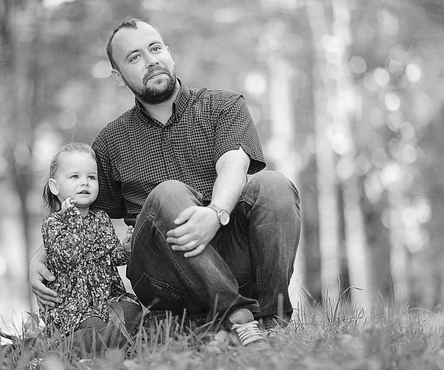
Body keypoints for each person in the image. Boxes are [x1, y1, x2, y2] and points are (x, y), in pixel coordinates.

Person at [30, 18, 301, 347]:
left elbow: (234, 165)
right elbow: (79, 213)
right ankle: (239, 320)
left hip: (233, 255)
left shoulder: (223, 106)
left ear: (168, 53)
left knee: (273, 185)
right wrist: (40, 257)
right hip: (164, 276)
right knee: (168, 194)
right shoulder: (110, 143)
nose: (150, 60)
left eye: (155, 48)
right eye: (134, 57)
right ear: (118, 77)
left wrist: (215, 213)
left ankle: (272, 324)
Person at [39, 142, 141, 355]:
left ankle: (98, 347)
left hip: (105, 299)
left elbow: (112, 256)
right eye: (74, 177)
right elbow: (70, 257)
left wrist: (126, 249)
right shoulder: (53, 223)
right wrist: (73, 218)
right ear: (55, 186)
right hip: (71, 307)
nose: (84, 182)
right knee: (94, 326)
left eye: (91, 177)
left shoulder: (101, 218)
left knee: (132, 311)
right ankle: (58, 351)